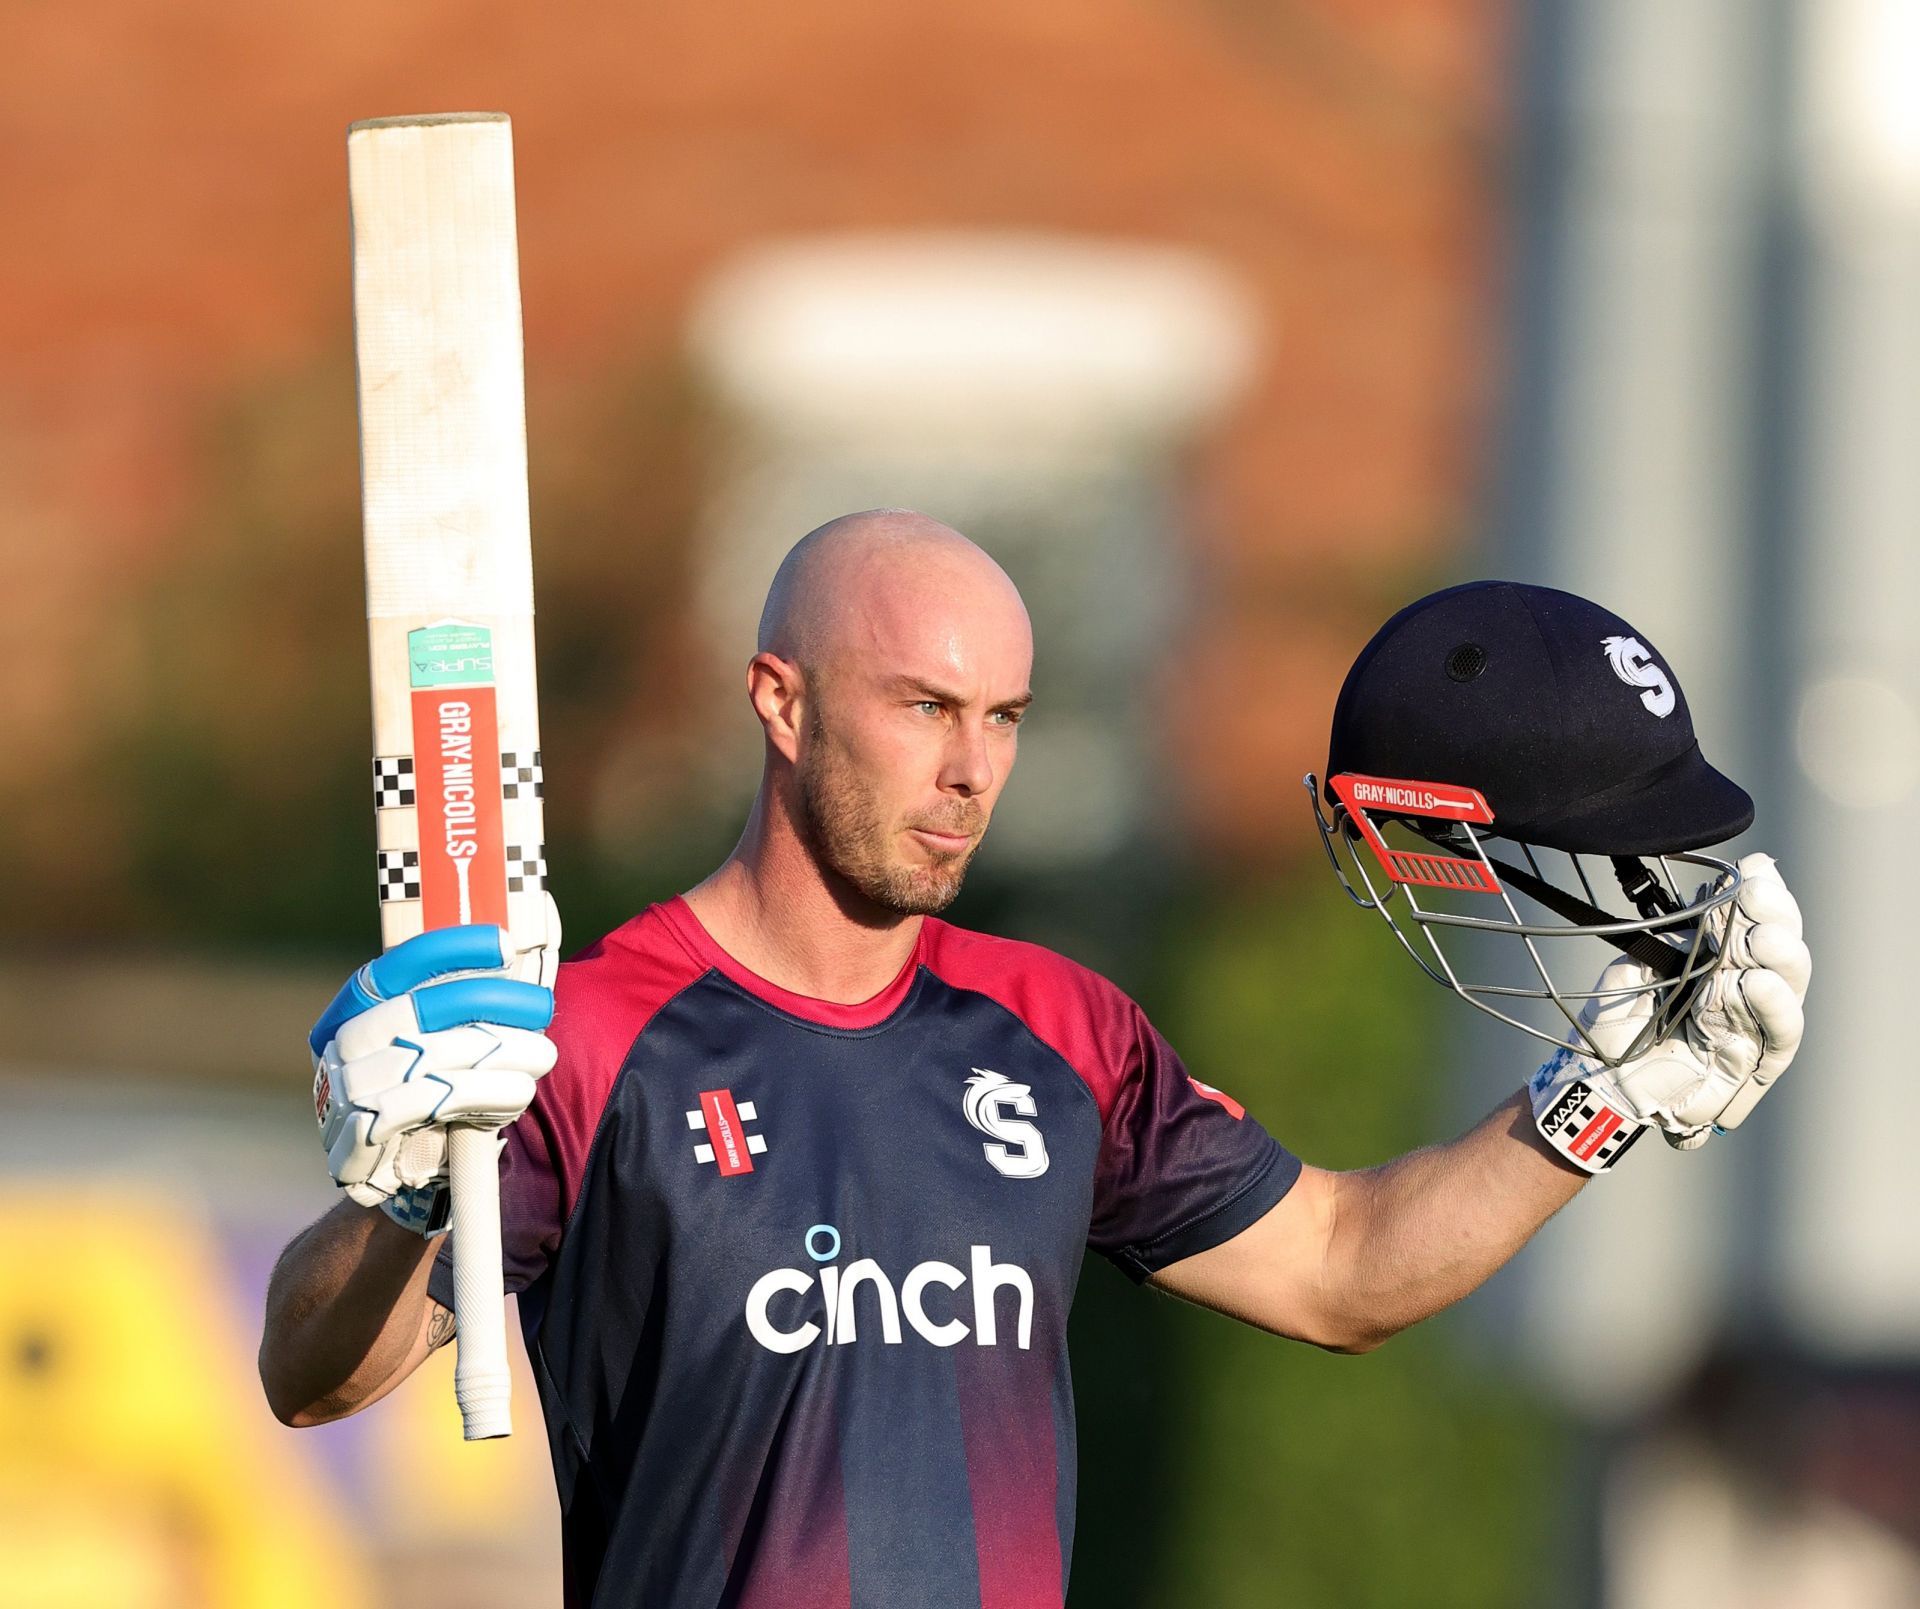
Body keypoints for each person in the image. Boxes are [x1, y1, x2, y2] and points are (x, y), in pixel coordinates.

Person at [260, 510, 1810, 1609]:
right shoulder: (586, 1034)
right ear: (779, 703)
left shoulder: (1063, 1028)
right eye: (924, 706)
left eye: (1002, 714)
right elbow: (314, 1376)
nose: (970, 770)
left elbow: (1341, 1269)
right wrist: (397, 1191)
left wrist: (1600, 1101)